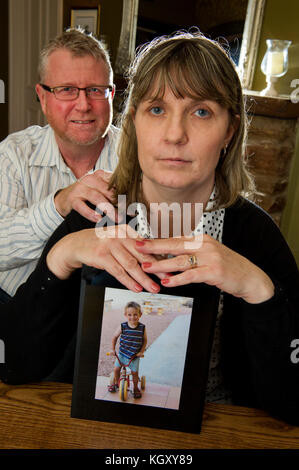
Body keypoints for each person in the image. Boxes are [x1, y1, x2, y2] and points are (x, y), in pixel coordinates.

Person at [1, 31, 299, 425]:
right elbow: (16, 364)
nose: (175, 135)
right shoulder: (96, 212)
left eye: (202, 112)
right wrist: (60, 257)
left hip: (214, 430)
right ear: (134, 122)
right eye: (157, 110)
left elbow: (292, 402)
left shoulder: (255, 235)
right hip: (94, 426)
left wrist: (259, 290)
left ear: (229, 130)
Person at [0, 28, 118, 302]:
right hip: (15, 305)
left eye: (95, 90)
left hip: (105, 309)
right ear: (42, 97)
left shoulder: (140, 157)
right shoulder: (13, 155)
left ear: (111, 94)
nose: (83, 105)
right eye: (67, 90)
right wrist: (59, 204)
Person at [109, 301, 147, 398]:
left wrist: (141, 351)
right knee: (116, 369)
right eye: (129, 315)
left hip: (134, 356)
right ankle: (117, 383)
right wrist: (112, 349)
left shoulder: (142, 328)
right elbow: (114, 337)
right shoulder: (123, 326)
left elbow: (145, 340)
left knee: (134, 373)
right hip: (122, 354)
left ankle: (135, 387)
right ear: (125, 315)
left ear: (140, 315)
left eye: (135, 314)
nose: (132, 317)